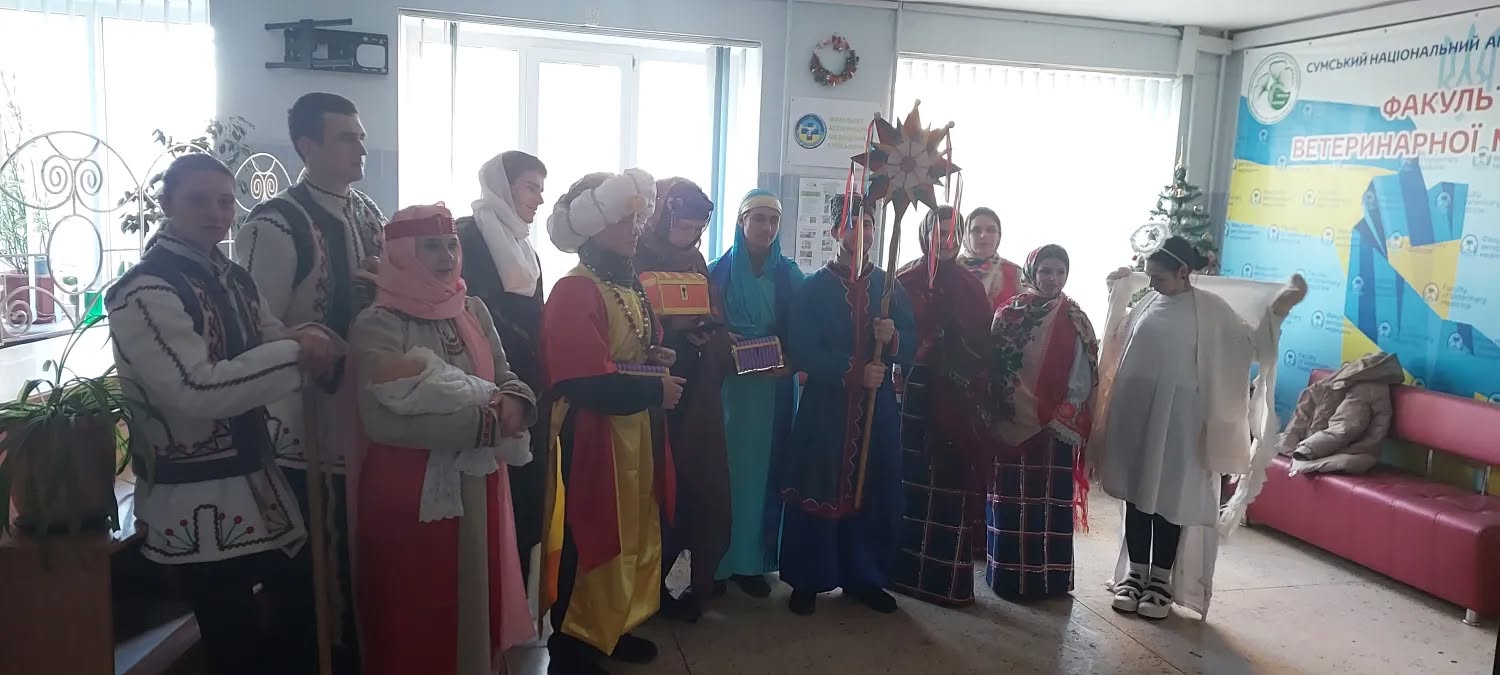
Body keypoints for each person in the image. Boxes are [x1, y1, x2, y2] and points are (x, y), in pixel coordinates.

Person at [106, 154, 343, 675]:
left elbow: (271, 334)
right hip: (195, 496)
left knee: (299, 609)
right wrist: (298, 352)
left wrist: (306, 340)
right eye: (199, 200)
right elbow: (194, 388)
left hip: (257, 480)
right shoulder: (143, 290)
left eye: (225, 201)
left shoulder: (233, 278)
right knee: (232, 641)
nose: (216, 213)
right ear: (166, 204)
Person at [349, 204, 536, 675]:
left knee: (476, 596)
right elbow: (379, 422)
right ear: (401, 254)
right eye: (430, 247)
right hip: (410, 493)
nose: (446, 257)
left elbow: (505, 373)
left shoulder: (471, 309)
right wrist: (484, 427)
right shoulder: (378, 323)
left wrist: (518, 401)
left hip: (478, 482)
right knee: (417, 606)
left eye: (451, 245)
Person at [234, 92, 385, 673]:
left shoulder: (368, 213)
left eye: (361, 136)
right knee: (311, 578)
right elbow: (252, 322)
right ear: (306, 145)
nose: (361, 148)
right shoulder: (274, 223)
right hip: (304, 431)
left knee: (361, 564)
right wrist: (304, 343)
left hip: (368, 422)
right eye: (346, 137)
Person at [1093, 236, 1306, 621]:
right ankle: (1134, 574)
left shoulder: (1211, 310)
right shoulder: (1146, 303)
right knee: (1136, 495)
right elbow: (1117, 341)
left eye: (1159, 277)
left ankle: (1160, 580)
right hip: (1137, 416)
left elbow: (1249, 346)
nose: (1152, 282)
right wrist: (1116, 293)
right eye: (1149, 275)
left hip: (1182, 423)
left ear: (1183, 272)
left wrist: (1279, 309)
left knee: (1170, 498)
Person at [538, 169, 681, 675]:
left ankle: (611, 626)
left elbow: (628, 347)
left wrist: (654, 356)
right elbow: (582, 381)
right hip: (594, 434)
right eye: (625, 219)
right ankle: (574, 644)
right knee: (592, 536)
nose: (636, 228)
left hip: (632, 430)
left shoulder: (625, 281)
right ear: (593, 225)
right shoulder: (575, 289)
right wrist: (654, 390)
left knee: (632, 530)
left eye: (638, 218)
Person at [779, 192, 915, 617]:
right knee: (817, 484)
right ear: (835, 230)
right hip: (826, 408)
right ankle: (807, 579)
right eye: (852, 223)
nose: (862, 232)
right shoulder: (814, 288)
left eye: (869, 224)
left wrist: (893, 337)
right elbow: (802, 348)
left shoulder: (889, 287)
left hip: (878, 408)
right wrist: (854, 372)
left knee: (874, 488)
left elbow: (913, 344)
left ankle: (866, 578)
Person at [632, 177, 731, 622]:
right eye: (683, 226)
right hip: (649, 392)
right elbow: (628, 326)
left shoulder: (695, 261)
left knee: (693, 487)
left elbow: (713, 312)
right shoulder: (635, 257)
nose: (689, 236)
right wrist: (670, 331)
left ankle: (688, 580)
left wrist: (707, 331)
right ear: (661, 218)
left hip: (694, 391)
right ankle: (641, 591)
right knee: (652, 489)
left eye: (696, 229)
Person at [890, 206, 993, 607]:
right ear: (924, 234)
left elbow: (983, 345)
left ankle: (945, 581)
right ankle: (902, 574)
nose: (945, 241)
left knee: (949, 488)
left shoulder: (970, 286)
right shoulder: (905, 279)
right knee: (909, 482)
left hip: (954, 402)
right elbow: (893, 337)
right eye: (938, 232)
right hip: (911, 396)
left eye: (952, 233)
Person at [986, 244, 1099, 601]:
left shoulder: (1076, 318)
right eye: (1046, 271)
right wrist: (1015, 407)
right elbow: (995, 365)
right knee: (1010, 501)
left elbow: (1084, 372)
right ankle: (1008, 579)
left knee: (1050, 505)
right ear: (1032, 272)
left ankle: (1050, 580)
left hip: (1055, 426)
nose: (1053, 279)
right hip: (1010, 421)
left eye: (1060, 272)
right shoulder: (1009, 314)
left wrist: (1061, 410)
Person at [456, 150, 550, 579]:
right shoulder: (466, 238)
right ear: (503, 186)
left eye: (541, 190)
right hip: (483, 386)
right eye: (531, 187)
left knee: (526, 498)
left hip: (528, 384)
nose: (539, 199)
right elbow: (468, 311)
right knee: (487, 503)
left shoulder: (525, 249)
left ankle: (514, 596)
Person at [707, 189, 805, 598]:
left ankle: (751, 564)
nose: (766, 227)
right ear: (741, 221)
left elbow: (803, 329)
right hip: (732, 390)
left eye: (773, 220)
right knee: (725, 473)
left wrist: (792, 361)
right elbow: (701, 324)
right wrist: (720, 337)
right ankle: (718, 562)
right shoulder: (717, 272)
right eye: (759, 218)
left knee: (763, 476)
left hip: (772, 390)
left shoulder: (790, 275)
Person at [957, 206, 1023, 310]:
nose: (983, 235)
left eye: (991, 230)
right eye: (976, 230)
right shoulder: (952, 269)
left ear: (999, 235)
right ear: (965, 236)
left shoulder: (1015, 273)